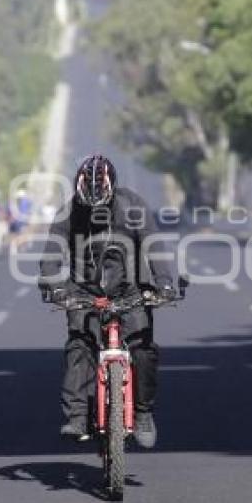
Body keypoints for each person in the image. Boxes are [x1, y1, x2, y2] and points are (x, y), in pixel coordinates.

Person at [39, 154, 176, 449]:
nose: (94, 215)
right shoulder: (68, 212)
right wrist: (53, 285)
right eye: (89, 209)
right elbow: (51, 255)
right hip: (84, 292)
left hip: (130, 290)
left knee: (143, 349)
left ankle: (142, 413)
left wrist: (164, 283)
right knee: (79, 345)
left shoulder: (133, 206)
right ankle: (77, 416)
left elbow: (154, 245)